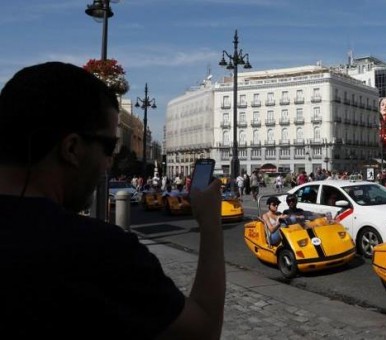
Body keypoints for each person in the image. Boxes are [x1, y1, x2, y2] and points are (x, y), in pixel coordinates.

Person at [0, 62, 225, 338]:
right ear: (71, 148)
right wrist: (211, 225)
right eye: (108, 147)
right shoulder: (96, 251)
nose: (109, 162)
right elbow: (203, 329)